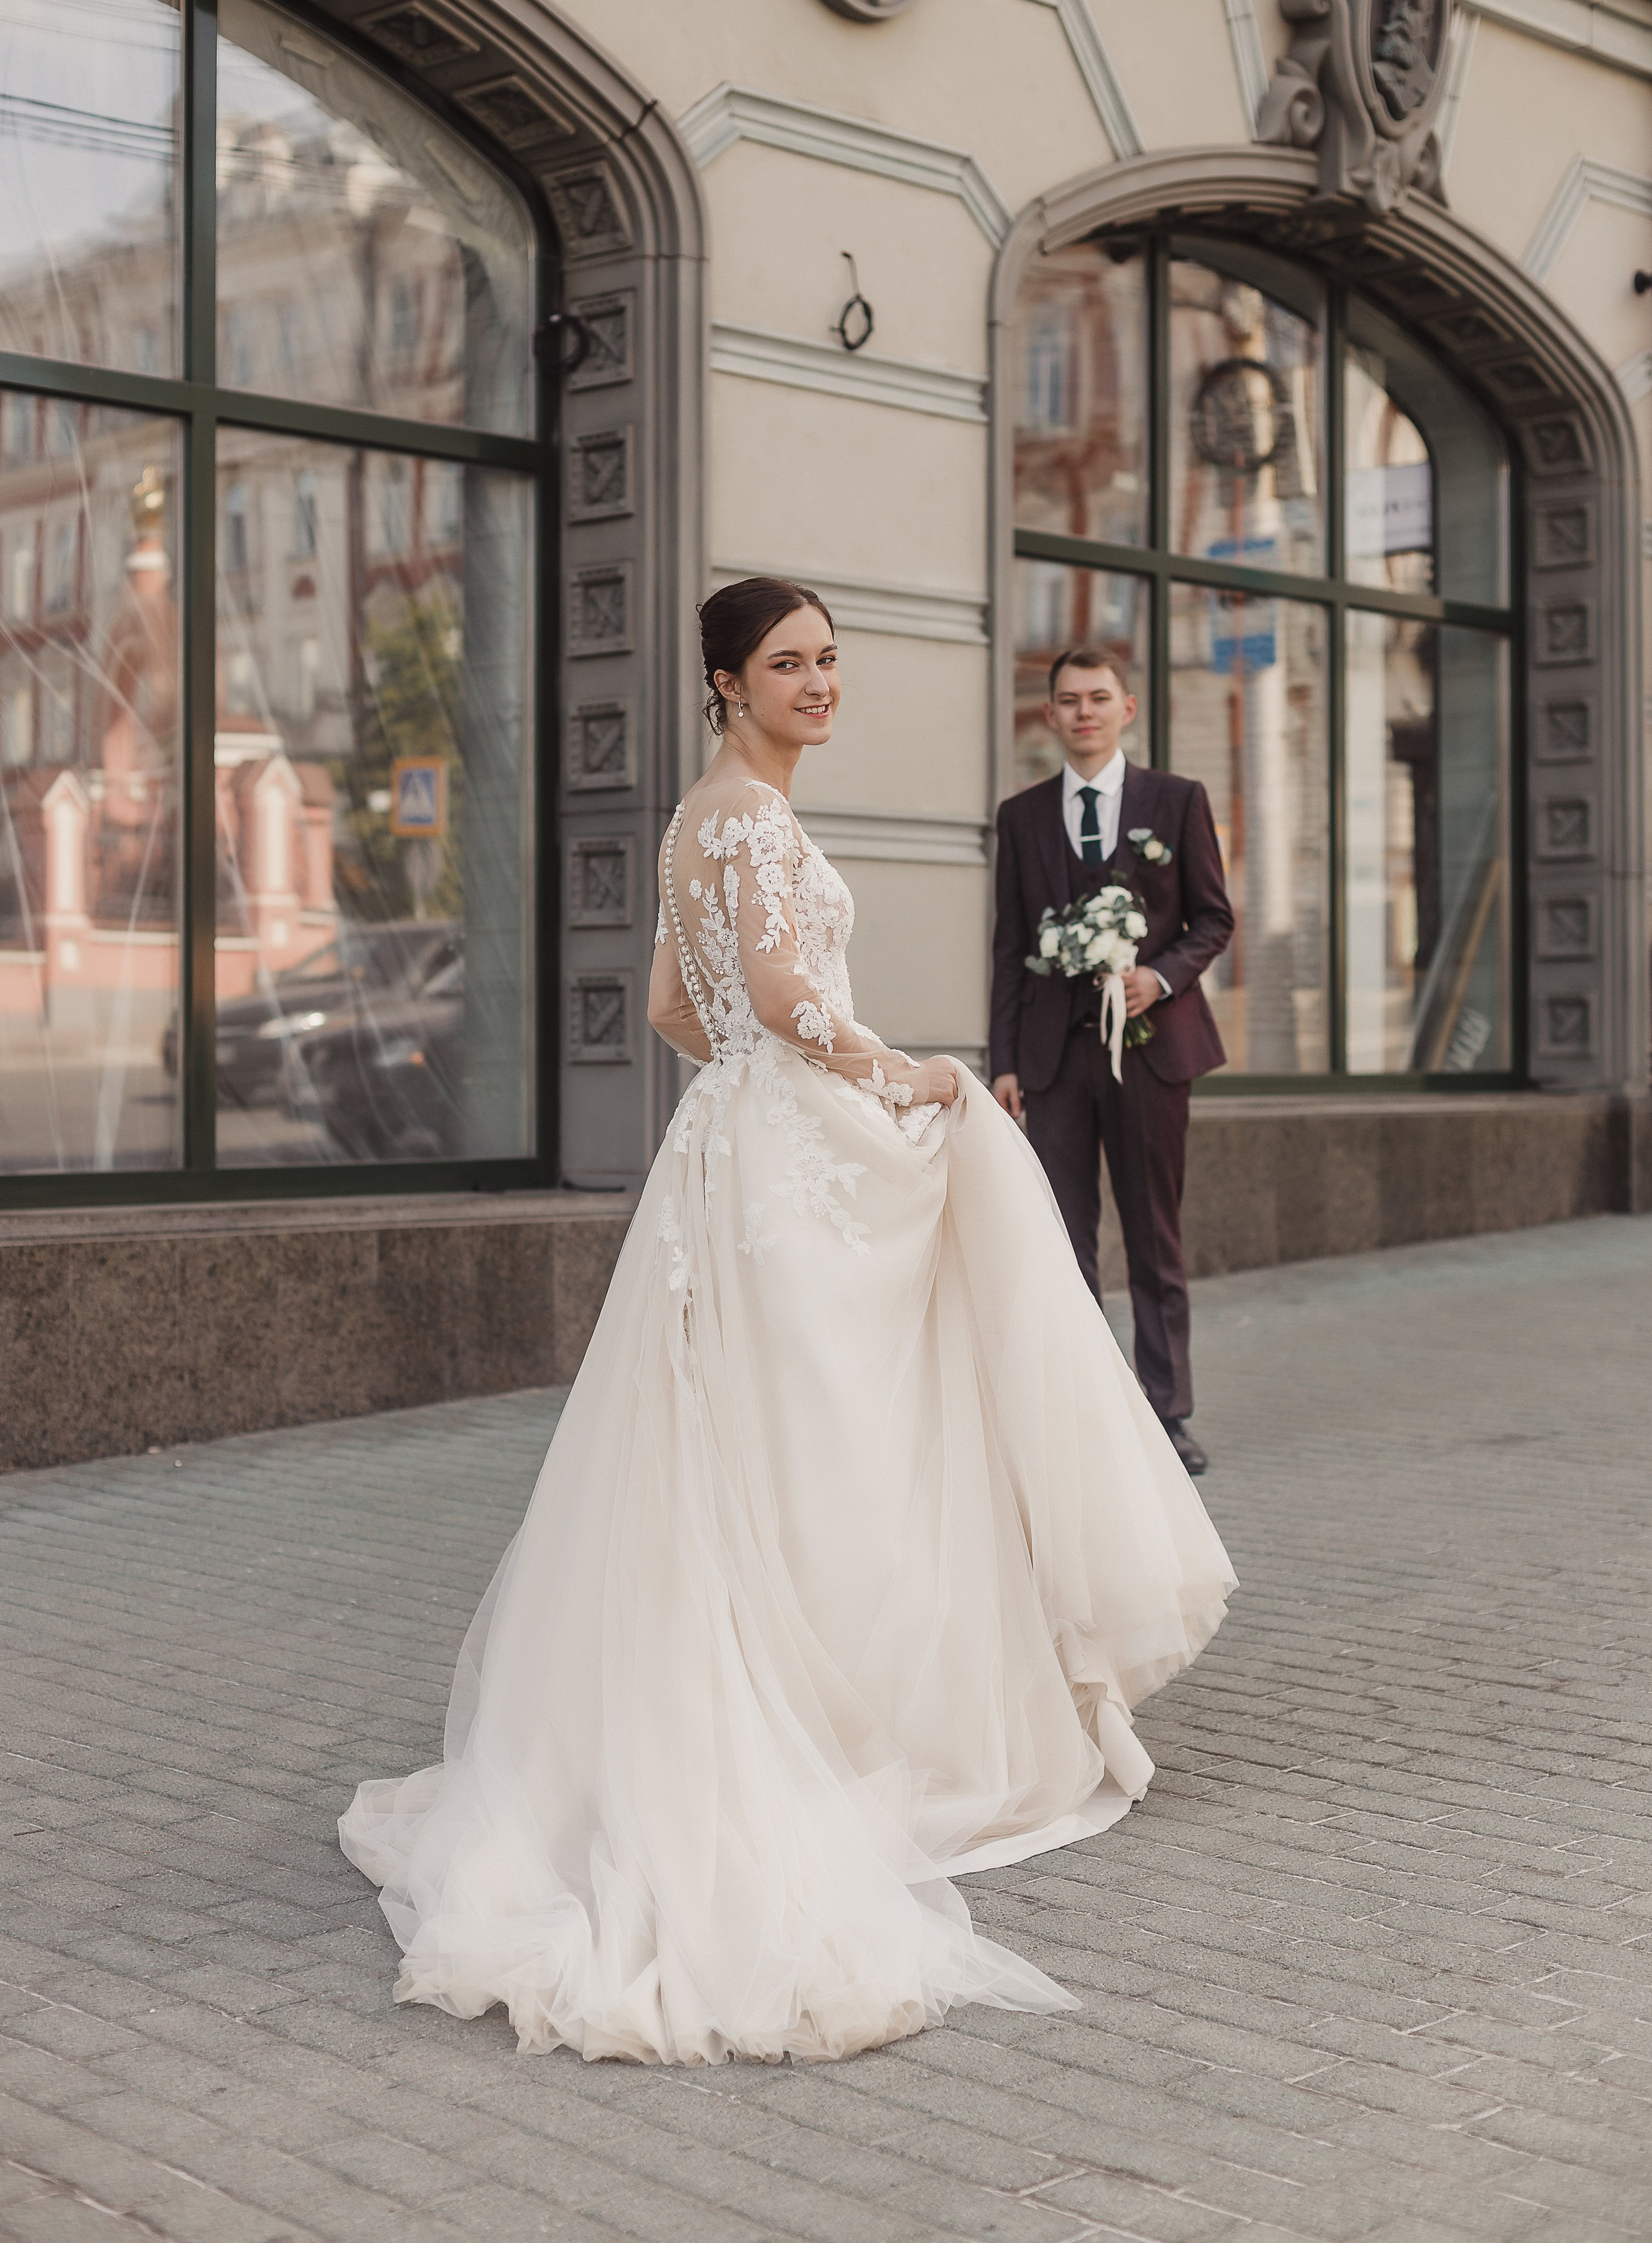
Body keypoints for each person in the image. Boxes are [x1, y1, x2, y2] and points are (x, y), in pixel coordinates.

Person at [340, 580, 1234, 2067]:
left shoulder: (708, 814)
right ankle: (848, 1728)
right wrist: (901, 1072)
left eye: (829, 659)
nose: (818, 682)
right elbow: (762, 988)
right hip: (783, 1155)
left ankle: (804, 1702)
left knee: (757, 1435)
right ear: (724, 679)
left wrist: (773, 1064)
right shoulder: (747, 816)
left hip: (730, 1147)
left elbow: (674, 1013)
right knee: (832, 1432)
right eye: (787, 664)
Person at [991, 650, 1234, 1476]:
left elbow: (1212, 919)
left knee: (1153, 1238)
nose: (1083, 711)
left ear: (1126, 707)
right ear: (1051, 715)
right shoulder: (1020, 816)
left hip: (1153, 1053)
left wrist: (1157, 978)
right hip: (1054, 1061)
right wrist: (1004, 1063)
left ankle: (1167, 1417)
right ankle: (1086, 1409)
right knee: (1063, 1242)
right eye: (1068, 700)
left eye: (1099, 698)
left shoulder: (1178, 801)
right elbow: (1009, 948)